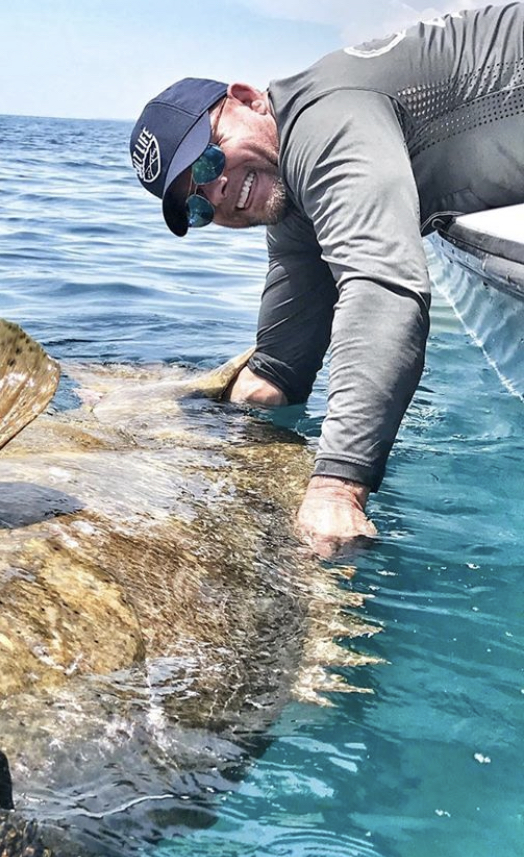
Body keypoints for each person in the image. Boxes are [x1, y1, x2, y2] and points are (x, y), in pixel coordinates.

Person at [128, 3, 524, 557]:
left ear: (247, 99)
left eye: (208, 162)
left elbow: (381, 288)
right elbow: (277, 368)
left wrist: (337, 485)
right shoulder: (291, 199)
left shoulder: (322, 118)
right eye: (197, 206)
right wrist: (190, 426)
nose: (217, 193)